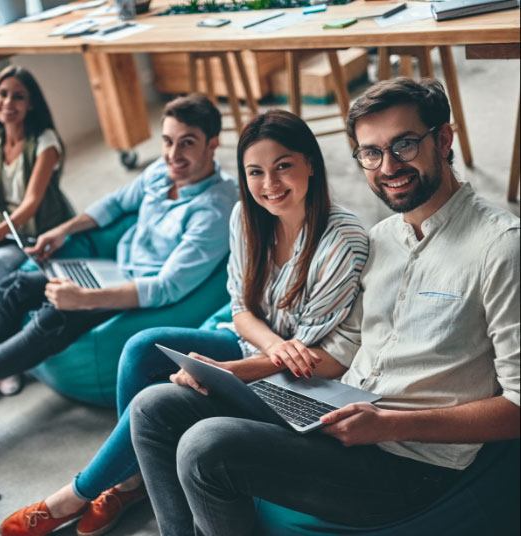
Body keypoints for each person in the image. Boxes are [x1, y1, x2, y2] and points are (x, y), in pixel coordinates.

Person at [130, 78, 520, 536]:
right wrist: (234, 371)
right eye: (371, 153)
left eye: (405, 144)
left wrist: (387, 424)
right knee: (153, 407)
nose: (388, 166)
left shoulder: (500, 248)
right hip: (338, 417)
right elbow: (340, 354)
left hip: (411, 463)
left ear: (444, 139)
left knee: (206, 446)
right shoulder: (383, 239)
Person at [0, 109, 369, 536]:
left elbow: (314, 356)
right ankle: (131, 481)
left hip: (300, 382)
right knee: (141, 346)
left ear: (311, 164)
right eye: (255, 171)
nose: (270, 185)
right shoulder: (247, 218)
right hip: (262, 350)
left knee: (159, 398)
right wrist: (269, 346)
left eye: (284, 166)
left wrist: (231, 372)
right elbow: (241, 309)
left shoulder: (342, 242)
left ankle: (73, 496)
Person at [0, 93, 239, 449]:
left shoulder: (214, 209)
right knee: (12, 287)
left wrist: (84, 298)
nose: (173, 155)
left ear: (212, 144)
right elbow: (112, 206)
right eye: (168, 141)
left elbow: (166, 288)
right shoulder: (161, 172)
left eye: (187, 143)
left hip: (138, 292)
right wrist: (62, 231)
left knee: (56, 314)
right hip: (111, 269)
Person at [0, 65, 76, 419]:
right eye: (2, 94)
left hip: (38, 229)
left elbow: (32, 202)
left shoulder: (46, 142)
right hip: (4, 227)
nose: (7, 102)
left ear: (31, 105)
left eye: (18, 96)